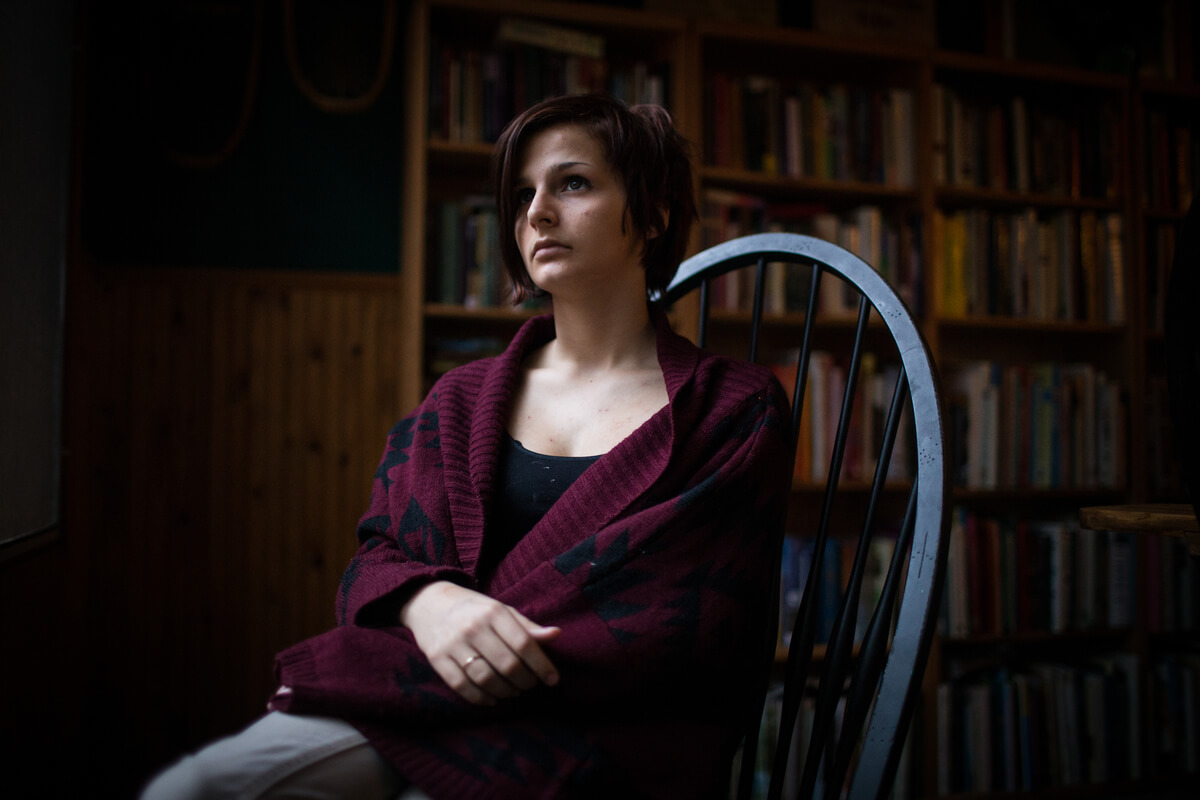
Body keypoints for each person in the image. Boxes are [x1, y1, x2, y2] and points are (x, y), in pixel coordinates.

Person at [141, 92, 793, 800]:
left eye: (572, 183)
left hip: (606, 732)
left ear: (655, 211)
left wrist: (467, 641)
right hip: (416, 700)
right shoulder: (459, 400)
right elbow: (377, 559)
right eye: (521, 195)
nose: (536, 213)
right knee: (194, 786)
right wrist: (431, 604)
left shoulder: (733, 409)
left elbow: (689, 628)